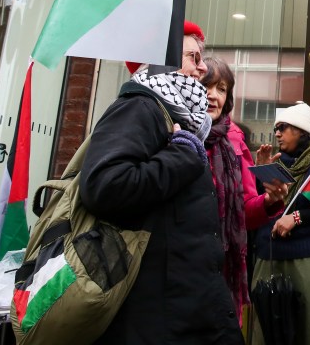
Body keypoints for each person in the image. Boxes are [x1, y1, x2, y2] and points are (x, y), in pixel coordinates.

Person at [78, 65, 243, 344]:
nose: (201, 66)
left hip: (187, 304)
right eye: (193, 56)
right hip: (159, 312)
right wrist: (183, 152)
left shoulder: (183, 120)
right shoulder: (141, 106)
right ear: (165, 63)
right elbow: (105, 186)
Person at [202, 57, 287, 325]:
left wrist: (269, 201)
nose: (213, 95)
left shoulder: (234, 140)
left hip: (222, 269)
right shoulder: (174, 132)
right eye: (206, 85)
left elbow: (245, 212)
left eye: (222, 88)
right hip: (177, 265)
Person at [251, 103, 310, 345]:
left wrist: (297, 217)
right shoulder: (273, 163)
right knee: (266, 333)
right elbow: (259, 207)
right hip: (269, 258)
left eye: (283, 127)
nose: (277, 133)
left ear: (302, 131)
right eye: (276, 128)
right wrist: (259, 173)